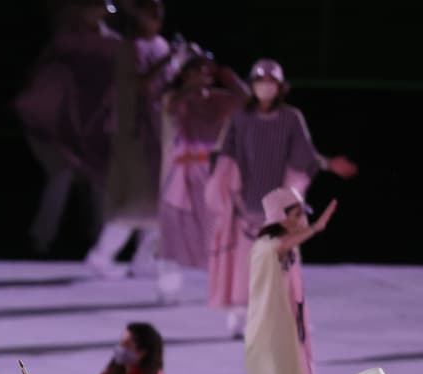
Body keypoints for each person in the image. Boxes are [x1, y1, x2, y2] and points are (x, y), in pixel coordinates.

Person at [206, 58, 357, 337]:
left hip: (277, 206)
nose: (265, 87)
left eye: (270, 82)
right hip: (244, 203)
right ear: (252, 86)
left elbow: (305, 157)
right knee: (242, 262)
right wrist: (224, 186)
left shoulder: (290, 118)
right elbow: (225, 155)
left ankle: (288, 317)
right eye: (260, 82)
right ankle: (239, 315)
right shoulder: (240, 120)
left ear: (280, 87)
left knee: (282, 263)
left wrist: (326, 165)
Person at [15, 0, 121, 254]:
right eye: (94, 7)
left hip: (96, 122)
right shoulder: (66, 40)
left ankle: (101, 244)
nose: (98, 13)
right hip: (64, 121)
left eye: (102, 9)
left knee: (99, 180)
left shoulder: (114, 42)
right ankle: (41, 239)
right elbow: (46, 75)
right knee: (61, 176)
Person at [245, 187, 334, 374]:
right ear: (279, 217)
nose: (302, 220)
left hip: (288, 335)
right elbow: (278, 248)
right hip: (268, 337)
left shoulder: (288, 246)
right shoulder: (266, 248)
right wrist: (318, 228)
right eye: (296, 214)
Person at [85, 0, 171, 279]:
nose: (156, 16)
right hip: (133, 132)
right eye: (151, 11)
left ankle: (143, 258)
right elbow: (135, 84)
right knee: (135, 201)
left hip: (159, 131)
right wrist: (166, 63)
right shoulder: (130, 47)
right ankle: (101, 256)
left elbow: (165, 87)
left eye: (159, 11)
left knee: (162, 201)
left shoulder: (162, 45)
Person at [155, 45, 248, 300]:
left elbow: (246, 101)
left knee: (214, 226)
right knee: (174, 227)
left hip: (209, 171)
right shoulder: (174, 98)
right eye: (197, 70)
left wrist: (228, 76)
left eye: (207, 71)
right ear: (185, 74)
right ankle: (168, 285)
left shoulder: (217, 99)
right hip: (180, 172)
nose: (203, 74)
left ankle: (224, 286)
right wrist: (187, 79)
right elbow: (174, 105)